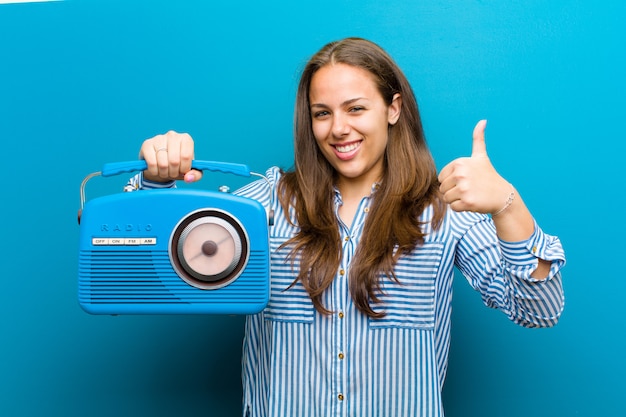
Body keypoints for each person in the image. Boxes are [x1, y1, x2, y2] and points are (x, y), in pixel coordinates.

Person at [128, 38, 565, 417]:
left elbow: (539, 310)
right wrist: (156, 181)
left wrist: (508, 204)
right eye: (322, 113)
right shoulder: (266, 204)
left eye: (356, 108)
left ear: (393, 108)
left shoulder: (443, 212)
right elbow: (136, 256)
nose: (339, 129)